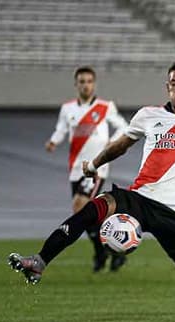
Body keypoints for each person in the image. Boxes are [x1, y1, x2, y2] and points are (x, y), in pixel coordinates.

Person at [9, 61, 175, 322]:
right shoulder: (148, 115)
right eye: (174, 83)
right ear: (167, 87)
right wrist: (93, 165)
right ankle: (40, 260)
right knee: (92, 208)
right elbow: (121, 145)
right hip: (140, 198)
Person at [45, 66, 128, 272]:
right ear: (76, 85)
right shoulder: (68, 108)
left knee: (80, 207)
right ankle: (112, 252)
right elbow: (61, 129)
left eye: (89, 81)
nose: (86, 85)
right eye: (82, 81)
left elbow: (123, 126)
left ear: (94, 84)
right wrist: (54, 141)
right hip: (76, 166)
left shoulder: (105, 106)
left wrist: (112, 141)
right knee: (88, 214)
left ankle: (102, 253)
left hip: (96, 166)